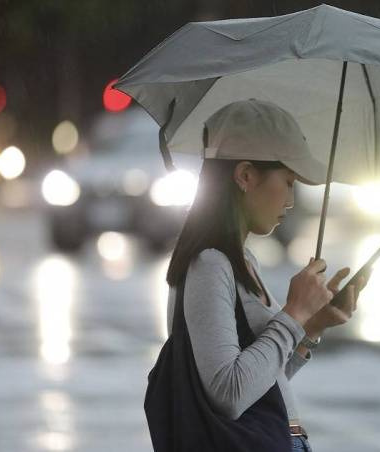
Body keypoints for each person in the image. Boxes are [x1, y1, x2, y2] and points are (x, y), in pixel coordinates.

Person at [151, 99, 367, 452]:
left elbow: (263, 383)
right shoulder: (209, 264)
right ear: (246, 176)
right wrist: (294, 312)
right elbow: (229, 394)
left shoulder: (241, 260)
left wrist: (311, 327)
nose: (291, 201)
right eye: (288, 182)